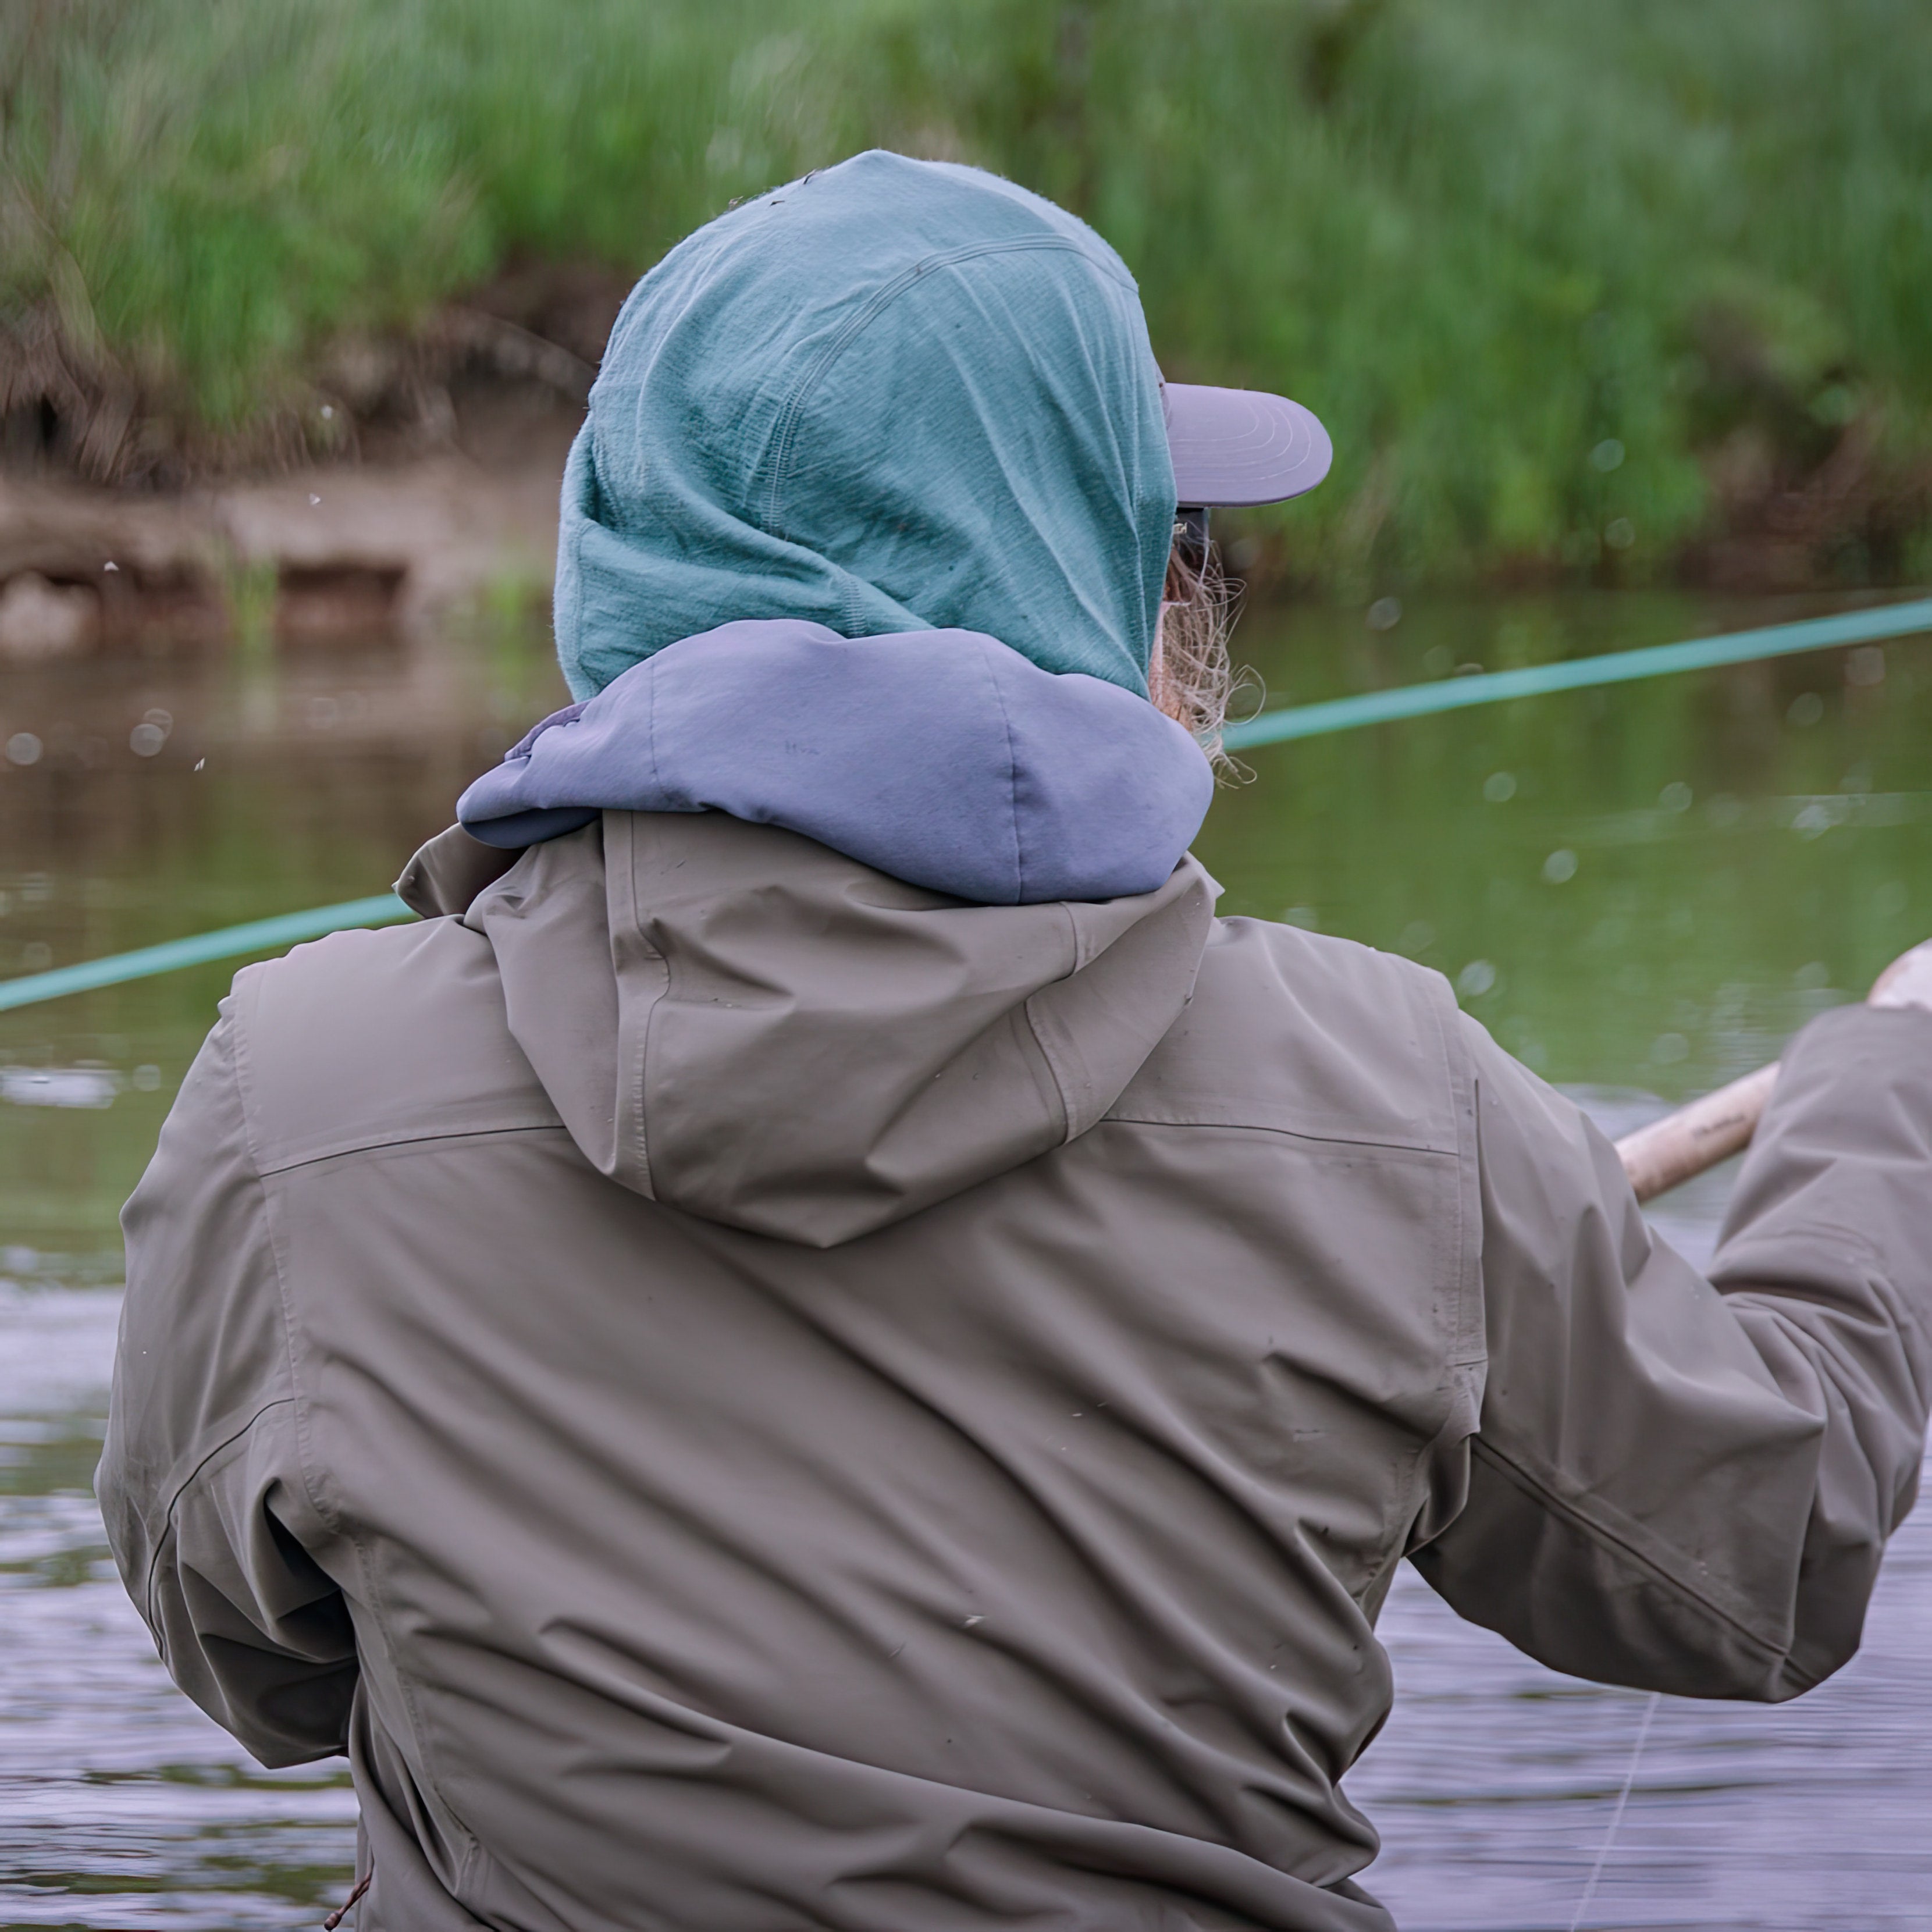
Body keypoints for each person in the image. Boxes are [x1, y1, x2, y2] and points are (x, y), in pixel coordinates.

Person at [99, 151, 1932, 1932]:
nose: (1191, 586)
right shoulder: (1386, 1091)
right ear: (1073, 568)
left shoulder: (298, 1086)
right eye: (1167, 533)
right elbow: (1765, 1550)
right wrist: (1881, 1084)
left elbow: (257, 1669)